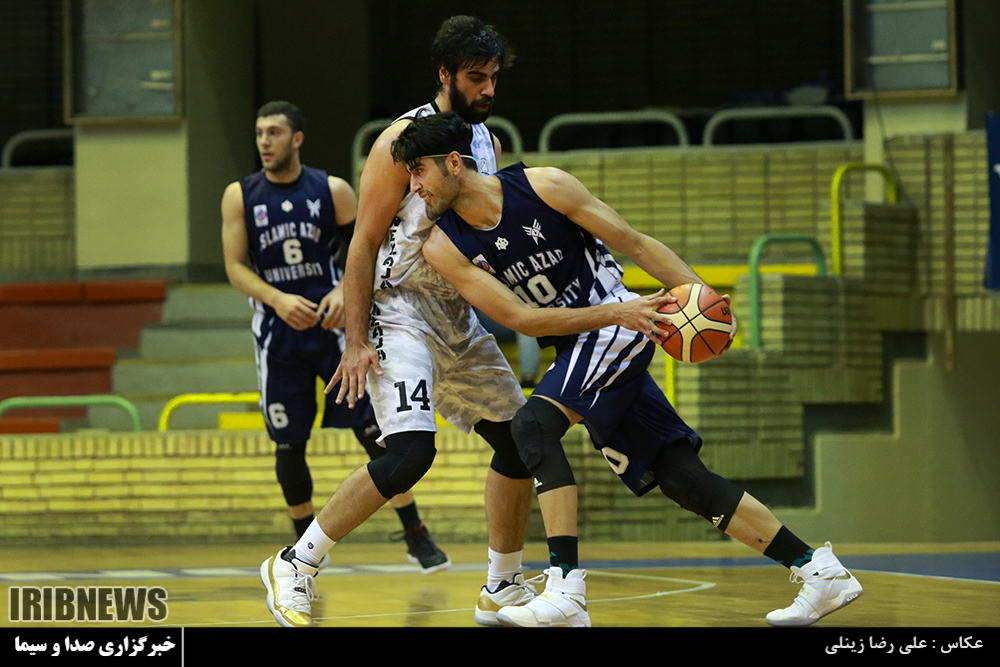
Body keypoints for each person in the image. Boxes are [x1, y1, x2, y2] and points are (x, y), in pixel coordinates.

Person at [396, 110, 864, 628]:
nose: (413, 187)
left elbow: (635, 244)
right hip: (595, 331)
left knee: (530, 427)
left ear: (454, 163)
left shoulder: (545, 186)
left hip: (620, 328)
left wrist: (701, 298)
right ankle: (820, 572)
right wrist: (617, 312)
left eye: (418, 171)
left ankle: (566, 589)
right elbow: (520, 319)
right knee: (681, 476)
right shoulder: (443, 245)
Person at [259, 18, 542, 629]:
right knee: (411, 453)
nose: (488, 88)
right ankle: (295, 563)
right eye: (476, 77)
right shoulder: (400, 141)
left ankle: (502, 584)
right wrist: (356, 340)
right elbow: (360, 245)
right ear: (445, 75)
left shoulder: (484, 141)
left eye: (493, 77)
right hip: (399, 312)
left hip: (456, 314)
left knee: (522, 443)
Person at [221, 100, 449, 578]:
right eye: (260, 133)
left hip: (334, 331)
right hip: (277, 334)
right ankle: (301, 551)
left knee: (376, 433)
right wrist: (278, 299)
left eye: (274, 133)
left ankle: (414, 532)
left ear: (297, 138)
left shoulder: (332, 190)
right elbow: (235, 267)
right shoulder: (239, 195)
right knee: (288, 445)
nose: (264, 141)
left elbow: (367, 243)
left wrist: (338, 292)